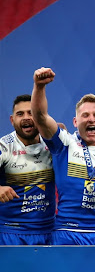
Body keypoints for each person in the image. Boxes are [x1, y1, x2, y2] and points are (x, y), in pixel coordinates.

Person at [30, 67, 95, 245]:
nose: (91, 119)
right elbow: (40, 117)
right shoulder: (64, 142)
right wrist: (39, 87)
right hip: (67, 232)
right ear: (75, 122)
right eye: (85, 115)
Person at [0, 94, 55, 244]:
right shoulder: (3, 147)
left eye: (31, 113)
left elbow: (82, 141)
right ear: (12, 120)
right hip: (11, 234)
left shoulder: (54, 144)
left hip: (49, 232)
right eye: (20, 114)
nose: (26, 117)